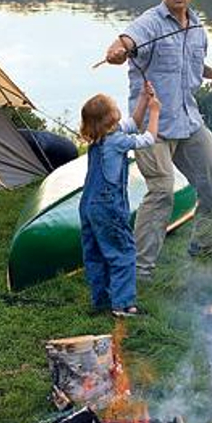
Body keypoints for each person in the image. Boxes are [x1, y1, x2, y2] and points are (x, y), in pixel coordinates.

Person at [104, 0, 212, 280]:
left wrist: (211, 72)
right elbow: (126, 42)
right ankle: (139, 270)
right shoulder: (149, 22)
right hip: (153, 125)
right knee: (162, 192)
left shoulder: (197, 26)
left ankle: (204, 245)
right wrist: (118, 51)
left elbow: (189, 61)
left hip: (188, 121)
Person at [79, 82, 160, 317]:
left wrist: (144, 99)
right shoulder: (117, 141)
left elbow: (133, 123)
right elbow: (147, 138)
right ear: (110, 117)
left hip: (88, 206)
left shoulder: (99, 137)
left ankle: (101, 301)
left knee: (95, 253)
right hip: (108, 207)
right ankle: (124, 305)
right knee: (122, 251)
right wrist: (155, 113)